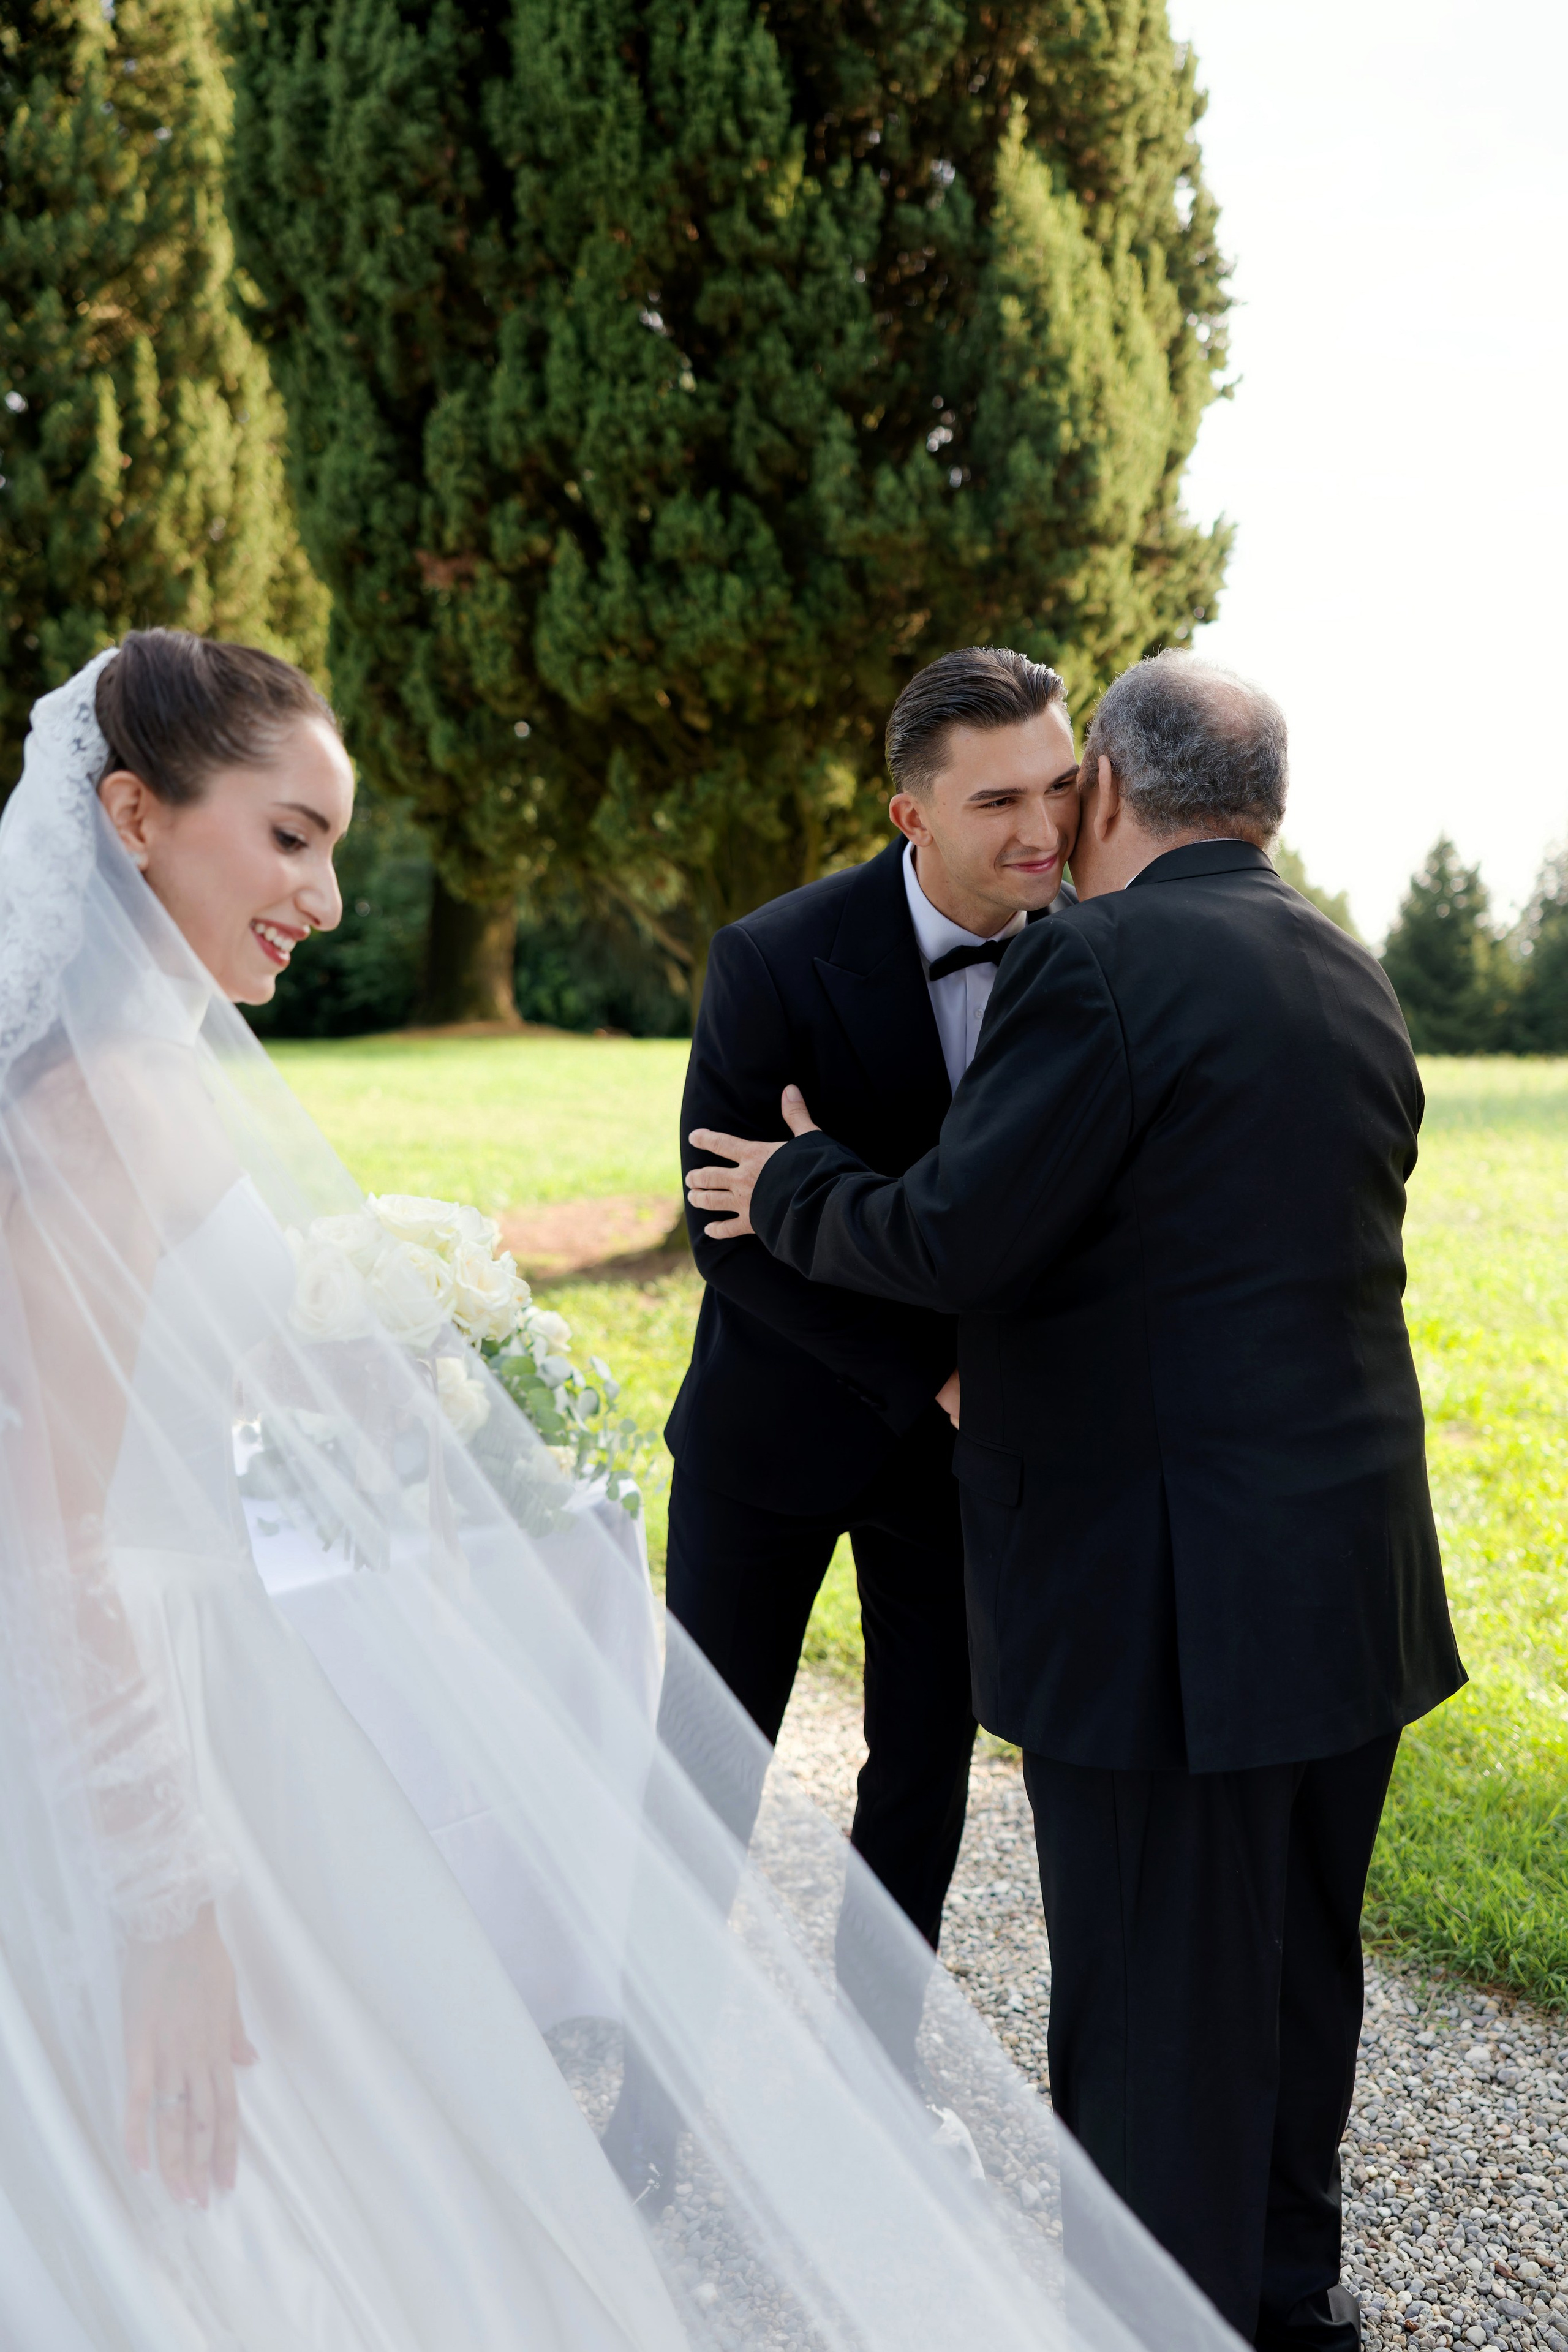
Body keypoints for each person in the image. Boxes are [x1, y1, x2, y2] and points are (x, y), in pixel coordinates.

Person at [0, 631, 1238, 2352]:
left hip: (238, 1681)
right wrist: (165, 1907)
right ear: (132, 817)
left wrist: (404, 1371)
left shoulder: (182, 1087)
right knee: (209, 2181)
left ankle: (862, 2080)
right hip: (136, 1723)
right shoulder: (79, 1120)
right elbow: (59, 1551)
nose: (332, 898)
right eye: (291, 839)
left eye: (335, 844)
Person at [684, 650, 1466, 2351]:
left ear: (1110, 787)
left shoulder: (1101, 963)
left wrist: (797, 1184)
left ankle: (1147, 2324)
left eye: (1065, 790)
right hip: (1352, 1590)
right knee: (1292, 1984)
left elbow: (963, 1230)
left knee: (1151, 2032)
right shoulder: (1349, 965)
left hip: (1166, 1605)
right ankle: (1284, 2308)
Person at [608, 649, 1078, 2197]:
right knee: (705, 1768)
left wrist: (972, 1386)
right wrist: (938, 1374)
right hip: (770, 1436)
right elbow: (726, 1232)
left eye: (1059, 786)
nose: (1042, 826)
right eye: (999, 798)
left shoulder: (1103, 957)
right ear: (908, 811)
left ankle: (871, 2093)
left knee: (923, 1769)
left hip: (967, 1458)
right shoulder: (773, 956)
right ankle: (648, 2116)